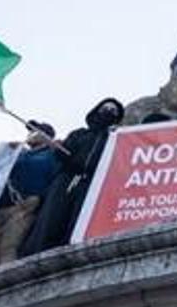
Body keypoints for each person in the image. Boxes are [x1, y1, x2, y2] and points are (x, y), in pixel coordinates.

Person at [19, 99, 124, 256]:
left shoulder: (112, 138)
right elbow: (63, 152)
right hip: (66, 180)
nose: (109, 111)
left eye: (113, 110)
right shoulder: (80, 134)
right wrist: (63, 154)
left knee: (78, 217)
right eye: (106, 108)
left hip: (91, 184)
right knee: (53, 216)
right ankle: (41, 251)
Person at [0, 121, 60, 271]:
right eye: (30, 132)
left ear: (46, 136)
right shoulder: (19, 154)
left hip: (27, 206)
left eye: (35, 131)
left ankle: (6, 276)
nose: (30, 135)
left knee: (9, 245)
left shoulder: (52, 154)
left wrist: (40, 198)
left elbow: (55, 179)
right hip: (2, 207)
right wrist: (7, 153)